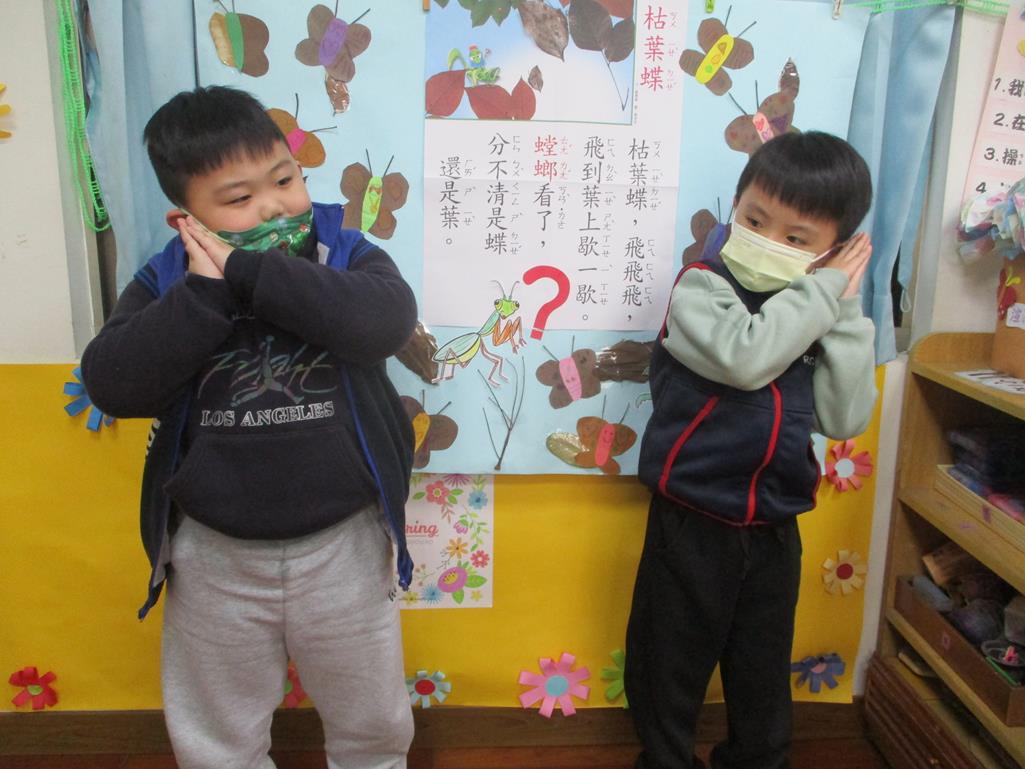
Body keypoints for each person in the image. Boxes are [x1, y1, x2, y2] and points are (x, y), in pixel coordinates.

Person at [81, 85, 417, 769]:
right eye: (238, 198)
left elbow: (385, 323)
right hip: (214, 558)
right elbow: (112, 382)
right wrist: (207, 292)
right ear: (186, 219)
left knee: (372, 722)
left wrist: (250, 271)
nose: (272, 206)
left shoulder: (342, 253)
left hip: (343, 546)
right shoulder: (167, 281)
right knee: (218, 738)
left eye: (284, 180)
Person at [626, 131, 877, 769]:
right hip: (693, 517)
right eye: (755, 219)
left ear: (834, 251)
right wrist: (820, 293)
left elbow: (844, 417)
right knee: (668, 663)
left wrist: (846, 312)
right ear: (735, 206)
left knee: (762, 669)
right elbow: (747, 358)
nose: (768, 240)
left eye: (796, 237)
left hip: (774, 523)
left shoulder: (819, 307)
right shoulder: (701, 287)